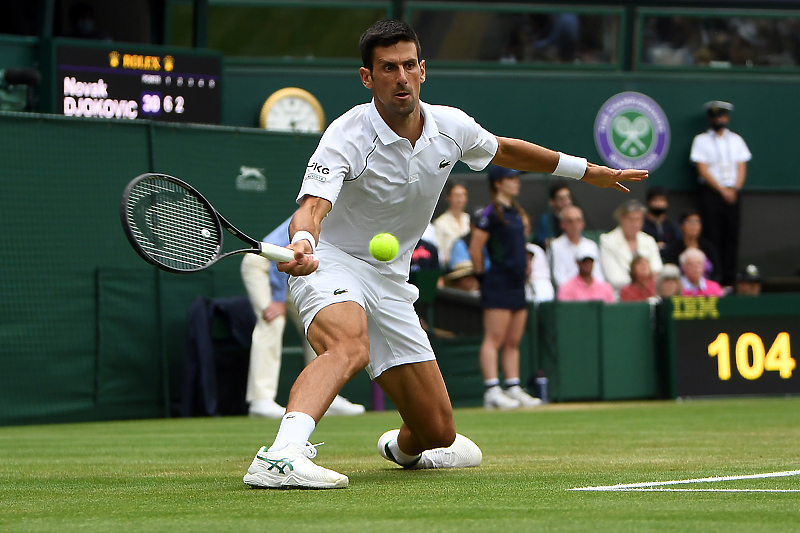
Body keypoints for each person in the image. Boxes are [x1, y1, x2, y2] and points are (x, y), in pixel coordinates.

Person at [243, 19, 646, 490]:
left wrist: (587, 171)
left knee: (438, 431)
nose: (401, 77)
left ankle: (400, 448)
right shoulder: (345, 134)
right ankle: (282, 454)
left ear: (423, 70)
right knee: (349, 345)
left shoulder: (451, 127)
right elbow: (312, 207)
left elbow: (505, 150)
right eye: (388, 68)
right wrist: (305, 243)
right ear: (367, 77)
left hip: (390, 281)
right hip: (332, 259)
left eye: (409, 65)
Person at [241, 216, 366, 419]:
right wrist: (277, 299)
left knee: (321, 325)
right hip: (265, 266)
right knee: (273, 323)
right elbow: (281, 254)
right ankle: (260, 400)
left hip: (295, 273)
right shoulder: (314, 214)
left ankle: (327, 396)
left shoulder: (350, 222)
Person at [470, 166, 542, 410]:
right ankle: (492, 391)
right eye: (511, 179)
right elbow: (475, 248)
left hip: (517, 283)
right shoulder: (490, 214)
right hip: (497, 282)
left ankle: (513, 387)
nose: (516, 183)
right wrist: (482, 277)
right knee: (495, 338)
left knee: (513, 340)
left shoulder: (517, 214)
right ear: (498, 183)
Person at [690, 100, 752, 287]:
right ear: (710, 118)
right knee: (712, 236)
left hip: (733, 194)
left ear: (727, 118)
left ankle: (729, 282)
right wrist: (721, 190)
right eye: (715, 116)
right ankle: (713, 280)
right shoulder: (701, 140)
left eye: (722, 116)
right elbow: (702, 170)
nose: (719, 119)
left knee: (731, 237)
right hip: (712, 194)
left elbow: (741, 167)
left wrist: (734, 189)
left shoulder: (736, 140)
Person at [599, 199, 663, 295]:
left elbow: (658, 270)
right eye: (631, 219)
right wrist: (641, 281)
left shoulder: (649, 240)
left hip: (650, 295)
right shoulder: (607, 241)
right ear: (621, 219)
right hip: (620, 297)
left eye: (638, 219)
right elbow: (614, 279)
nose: (635, 224)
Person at [549, 205, 605, 289]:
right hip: (568, 295)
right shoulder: (555, 246)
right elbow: (558, 276)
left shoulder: (591, 245)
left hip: (591, 292)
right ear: (562, 224)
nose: (574, 224)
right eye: (570, 221)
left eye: (578, 220)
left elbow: (598, 274)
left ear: (583, 223)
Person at [661, 210, 722, 283]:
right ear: (681, 226)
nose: (694, 226)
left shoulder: (708, 247)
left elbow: (717, 273)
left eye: (697, 222)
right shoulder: (673, 249)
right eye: (690, 222)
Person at [433, 182, 470, 266]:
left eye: (463, 195)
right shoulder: (440, 223)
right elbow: (440, 252)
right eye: (456, 195)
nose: (460, 199)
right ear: (448, 197)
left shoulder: (469, 219)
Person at [533, 183, 572, 249]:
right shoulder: (545, 220)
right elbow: (544, 242)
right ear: (552, 201)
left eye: (568, 197)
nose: (566, 202)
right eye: (561, 199)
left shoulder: (575, 218)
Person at [642, 186, 681, 251]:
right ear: (649, 202)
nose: (659, 204)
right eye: (655, 200)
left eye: (662, 200)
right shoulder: (642, 225)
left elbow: (677, 243)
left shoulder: (672, 226)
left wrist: (666, 246)